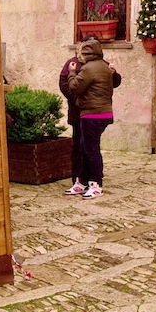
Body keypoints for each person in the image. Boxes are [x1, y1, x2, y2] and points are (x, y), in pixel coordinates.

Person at [63, 39, 116, 199]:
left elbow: (74, 87)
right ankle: (82, 182)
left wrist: (72, 72)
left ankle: (95, 184)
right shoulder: (105, 67)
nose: (78, 58)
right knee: (86, 148)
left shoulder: (88, 69)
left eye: (81, 54)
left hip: (91, 113)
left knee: (90, 150)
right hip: (104, 113)